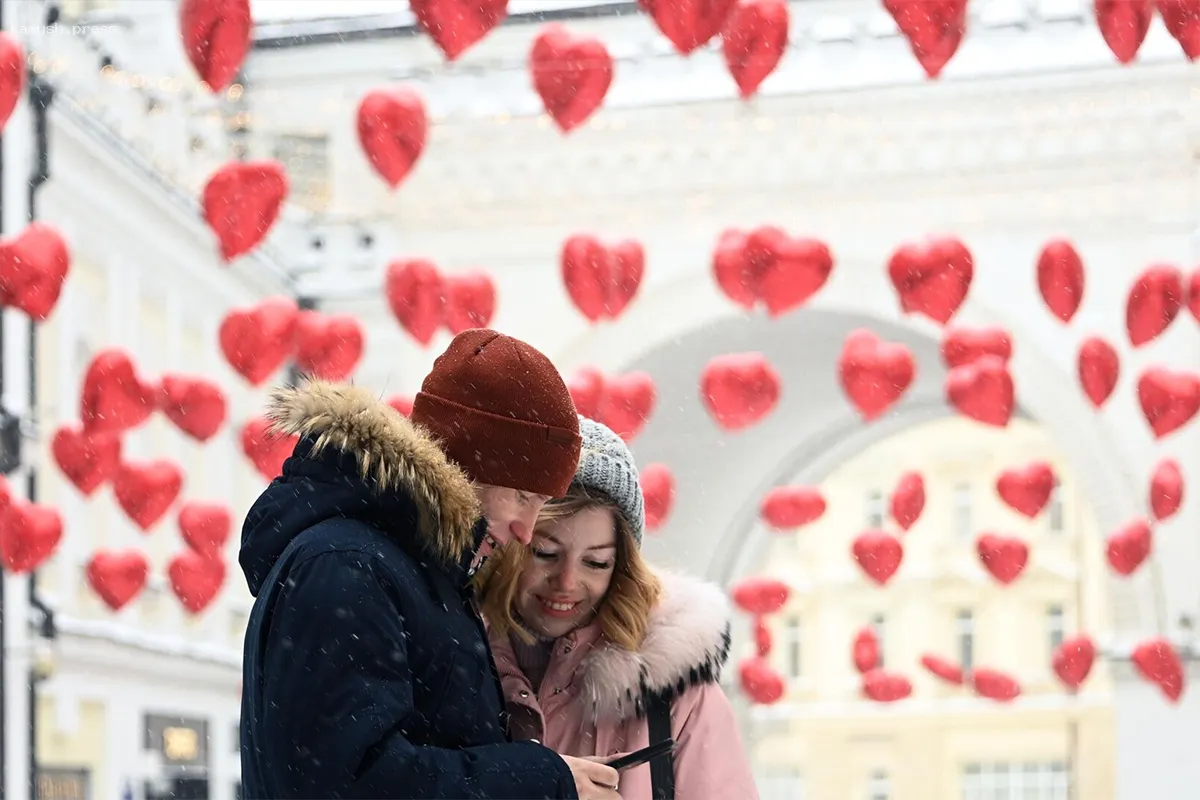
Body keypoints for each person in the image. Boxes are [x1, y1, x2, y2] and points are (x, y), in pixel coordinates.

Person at [238, 329, 622, 799]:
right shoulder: (347, 567)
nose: (526, 530)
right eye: (522, 496)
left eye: (541, 504)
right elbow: (351, 785)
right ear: (467, 467)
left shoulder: (410, 572)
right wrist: (542, 780)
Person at [477, 417, 759, 799]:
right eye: (545, 554)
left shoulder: (676, 695)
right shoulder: (453, 665)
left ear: (621, 567)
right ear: (511, 545)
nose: (567, 582)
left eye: (596, 563)